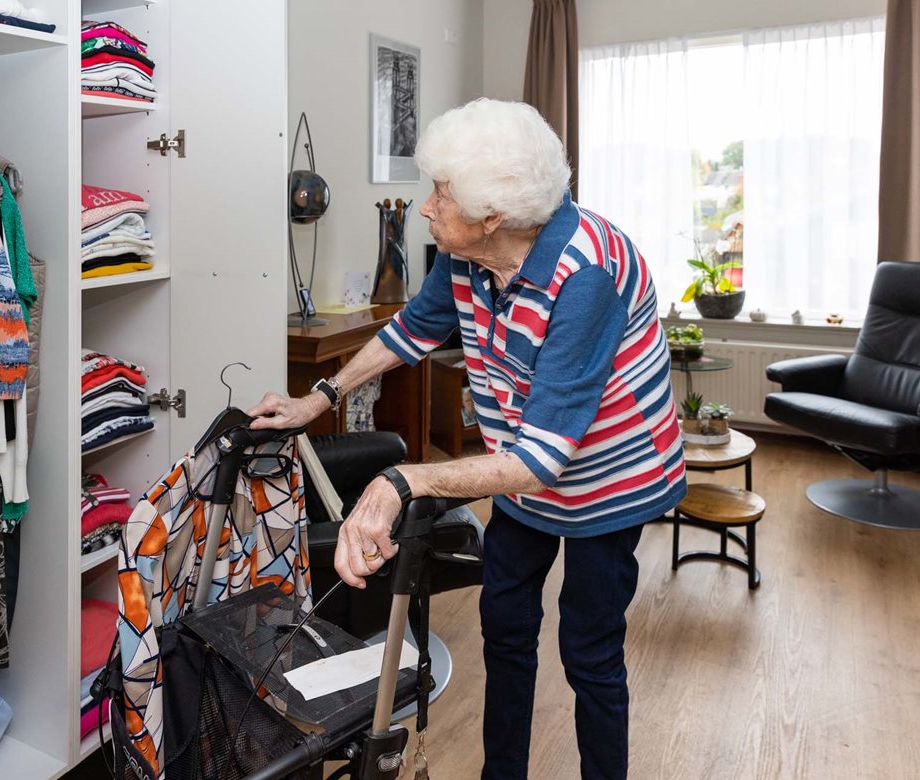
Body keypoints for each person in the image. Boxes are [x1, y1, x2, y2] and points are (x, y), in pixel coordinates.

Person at [250, 98, 686, 780]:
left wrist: (406, 480)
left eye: (441, 195)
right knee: (506, 628)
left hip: (610, 478)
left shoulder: (586, 277)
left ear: (492, 217)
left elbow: (543, 459)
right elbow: (411, 331)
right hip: (520, 471)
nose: (426, 207)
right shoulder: (467, 256)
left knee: (590, 650)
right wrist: (320, 396)